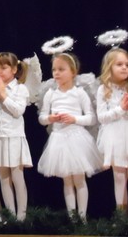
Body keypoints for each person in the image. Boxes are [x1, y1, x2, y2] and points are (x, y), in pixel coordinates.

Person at [37, 53, 102, 219]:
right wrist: (50, 118)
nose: (56, 73)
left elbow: (92, 118)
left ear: (73, 72)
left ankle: (83, 217)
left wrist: (75, 119)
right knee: (67, 181)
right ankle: (73, 218)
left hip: (76, 138)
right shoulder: (51, 94)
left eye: (61, 69)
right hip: (58, 139)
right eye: (54, 70)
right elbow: (42, 118)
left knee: (79, 180)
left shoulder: (79, 93)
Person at [0, 52, 32, 220]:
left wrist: (4, 96)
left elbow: (18, 111)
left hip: (13, 137)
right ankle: (10, 216)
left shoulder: (20, 89)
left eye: (3, 68)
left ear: (14, 69)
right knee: (4, 178)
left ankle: (21, 217)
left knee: (17, 178)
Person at [96, 48, 128, 217]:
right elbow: (102, 117)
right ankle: (122, 216)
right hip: (114, 136)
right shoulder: (103, 89)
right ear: (109, 66)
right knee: (119, 176)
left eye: (127, 65)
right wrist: (120, 109)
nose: (124, 68)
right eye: (119, 64)